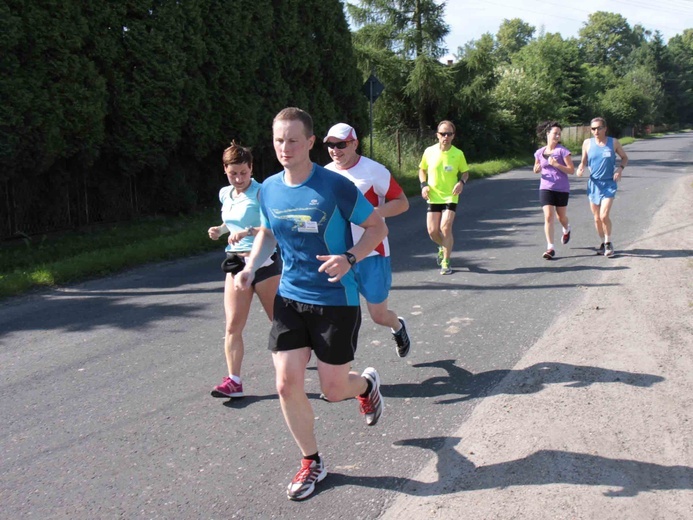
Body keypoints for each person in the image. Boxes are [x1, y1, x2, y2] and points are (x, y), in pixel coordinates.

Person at [235, 108, 388, 501]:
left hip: (336, 299)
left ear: (309, 142)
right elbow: (268, 231)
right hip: (291, 297)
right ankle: (312, 461)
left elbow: (377, 227)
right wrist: (252, 266)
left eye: (292, 140)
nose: (284, 147)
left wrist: (350, 257)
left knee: (333, 390)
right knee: (286, 383)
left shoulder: (333, 186)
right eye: (278, 140)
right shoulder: (268, 188)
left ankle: (366, 384)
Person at [323, 122, 411, 358]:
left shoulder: (374, 170)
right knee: (341, 315)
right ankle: (338, 369)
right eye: (330, 145)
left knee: (378, 315)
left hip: (372, 253)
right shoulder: (324, 173)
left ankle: (398, 326)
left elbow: (402, 202)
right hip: (339, 256)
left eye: (341, 144)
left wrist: (372, 215)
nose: (335, 150)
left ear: (354, 143)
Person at [207, 141, 281, 398]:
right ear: (225, 170)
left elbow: (274, 230)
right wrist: (221, 230)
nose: (239, 178)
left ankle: (301, 356)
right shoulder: (225, 194)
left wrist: (248, 232)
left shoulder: (263, 193)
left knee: (280, 323)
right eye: (233, 173)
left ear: (251, 168)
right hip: (236, 265)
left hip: (263, 262)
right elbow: (232, 220)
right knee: (232, 326)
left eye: (243, 173)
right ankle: (234, 381)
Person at [419, 120, 469, 275]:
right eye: (442, 134)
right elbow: (422, 170)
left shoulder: (458, 154)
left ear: (453, 136)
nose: (445, 137)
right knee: (432, 231)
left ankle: (446, 262)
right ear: (437, 135)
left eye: (449, 134)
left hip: (450, 196)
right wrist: (423, 185)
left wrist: (461, 182)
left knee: (445, 228)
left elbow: (465, 172)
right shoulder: (429, 151)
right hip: (433, 196)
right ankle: (443, 247)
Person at [577, 117, 629, 257]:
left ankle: (608, 242)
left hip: (608, 184)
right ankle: (602, 242)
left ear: (605, 128)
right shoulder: (587, 143)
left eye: (599, 128)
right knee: (596, 218)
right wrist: (580, 168)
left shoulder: (613, 143)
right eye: (593, 128)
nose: (596, 131)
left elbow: (624, 157)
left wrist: (619, 170)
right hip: (594, 184)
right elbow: (583, 161)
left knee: (604, 215)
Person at [533, 121, 575, 260]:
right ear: (547, 133)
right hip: (546, 188)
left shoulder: (562, 151)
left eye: (559, 134)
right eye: (554, 133)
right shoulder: (540, 152)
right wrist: (536, 169)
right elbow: (536, 168)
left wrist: (557, 164)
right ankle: (550, 247)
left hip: (561, 188)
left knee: (561, 217)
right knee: (548, 216)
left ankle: (566, 228)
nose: (557, 136)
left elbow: (571, 170)